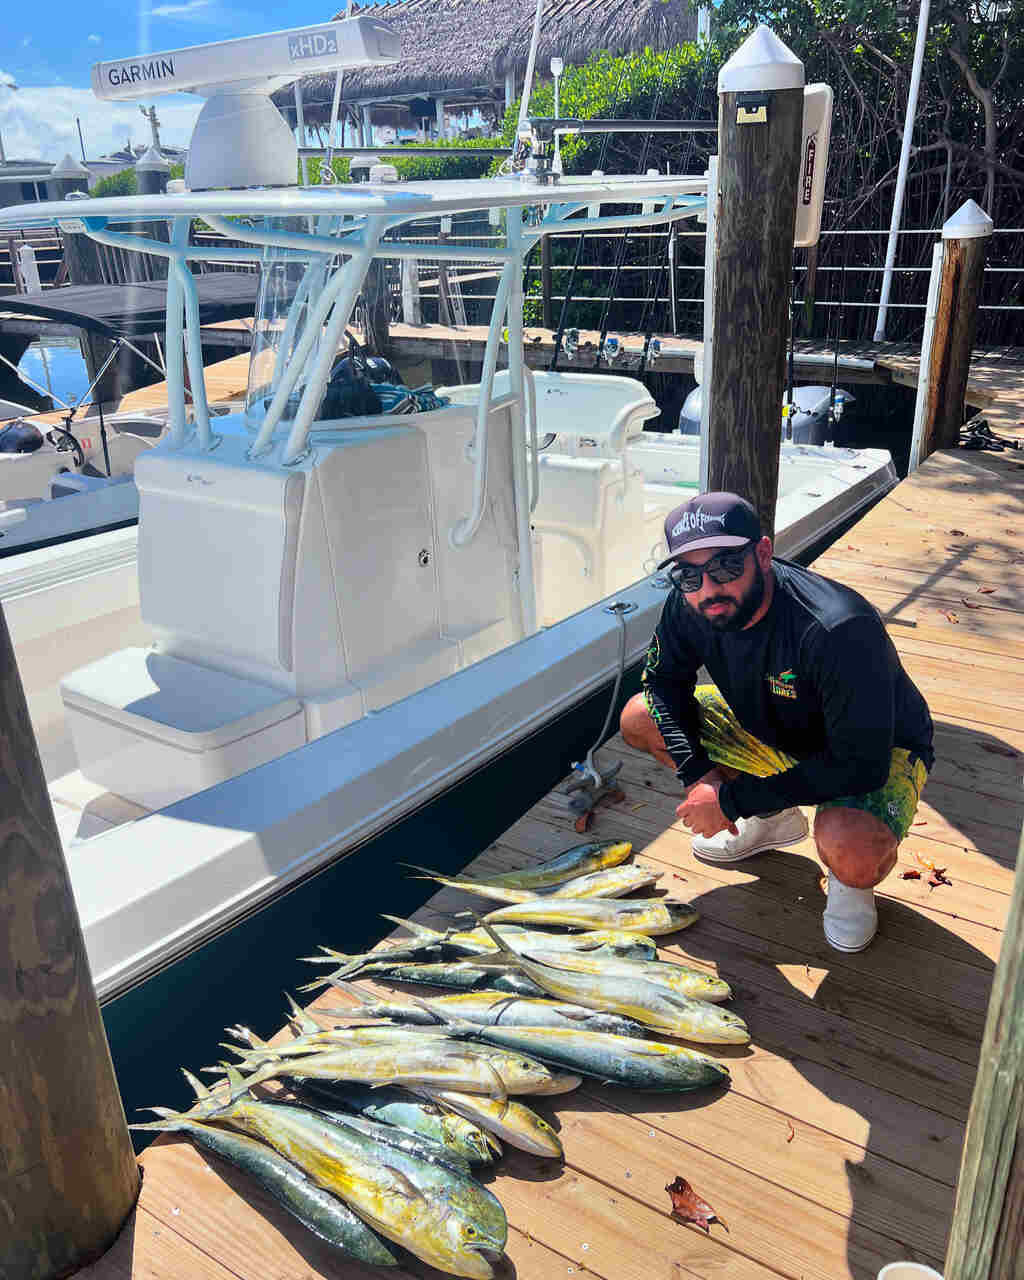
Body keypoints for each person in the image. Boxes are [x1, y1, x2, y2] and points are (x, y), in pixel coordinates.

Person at [620, 492, 934, 952]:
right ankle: (772, 819)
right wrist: (701, 779)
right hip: (773, 725)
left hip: (878, 748)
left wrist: (731, 801)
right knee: (639, 716)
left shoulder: (838, 628)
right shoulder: (687, 602)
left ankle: (851, 884)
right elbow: (663, 684)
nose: (708, 589)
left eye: (726, 567)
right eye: (689, 574)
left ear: (763, 553)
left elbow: (860, 766)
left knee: (850, 844)